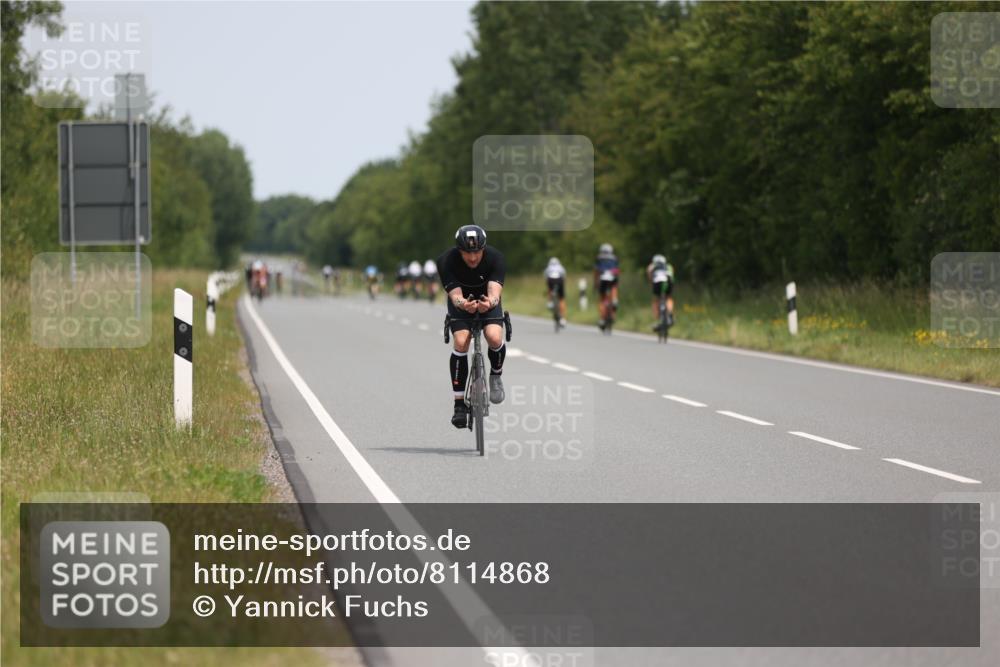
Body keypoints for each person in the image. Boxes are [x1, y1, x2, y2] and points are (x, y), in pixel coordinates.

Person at [438, 224, 507, 428]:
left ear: (484, 249)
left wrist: (490, 303)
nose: (473, 257)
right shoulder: (446, 261)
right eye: (467, 253)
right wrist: (463, 305)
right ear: (459, 250)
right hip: (462, 302)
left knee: (494, 336)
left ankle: (496, 374)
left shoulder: (496, 258)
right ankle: (459, 404)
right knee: (461, 341)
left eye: (477, 251)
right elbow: (455, 295)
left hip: (487, 299)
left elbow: (495, 292)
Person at [593, 243, 620, 328]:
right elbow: (617, 270)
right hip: (613, 277)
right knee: (614, 287)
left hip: (602, 278)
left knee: (602, 299)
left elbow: (596, 271)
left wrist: (595, 283)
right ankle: (614, 299)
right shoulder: (615, 258)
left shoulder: (599, 258)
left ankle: (602, 318)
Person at [646, 254, 675, 328]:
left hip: (657, 282)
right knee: (668, 298)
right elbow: (672, 276)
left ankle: (658, 318)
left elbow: (650, 276)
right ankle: (670, 315)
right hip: (667, 282)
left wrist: (652, 283)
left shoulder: (652, 266)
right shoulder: (669, 266)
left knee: (657, 299)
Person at [544, 257, 567, 326]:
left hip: (550, 280)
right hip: (560, 281)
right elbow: (564, 277)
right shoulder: (561, 267)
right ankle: (562, 318)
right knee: (561, 299)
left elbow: (546, 278)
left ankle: (550, 302)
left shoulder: (548, 267)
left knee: (549, 289)